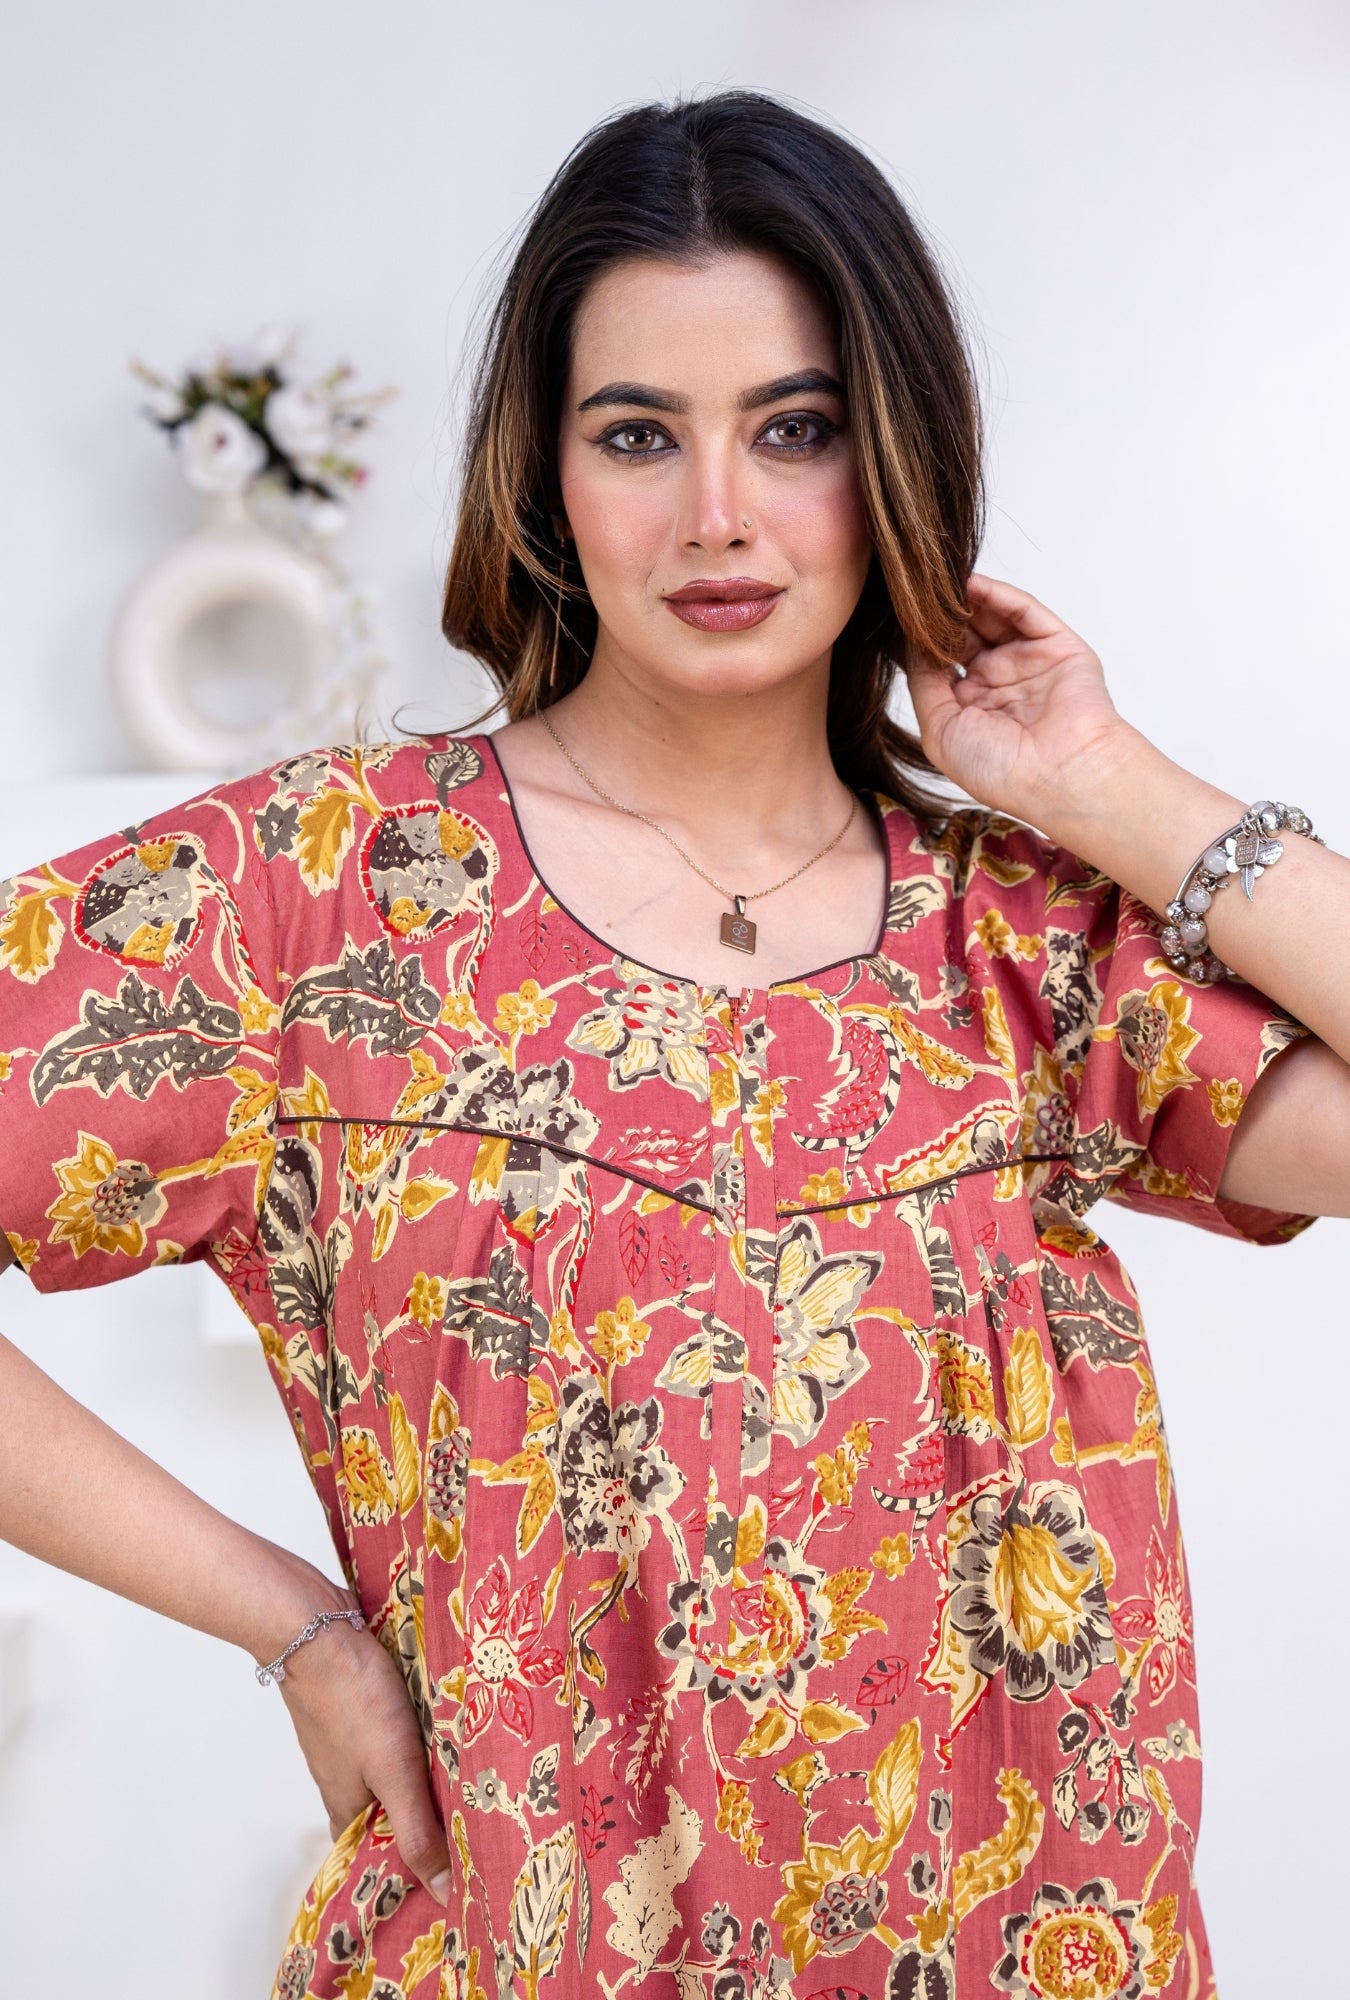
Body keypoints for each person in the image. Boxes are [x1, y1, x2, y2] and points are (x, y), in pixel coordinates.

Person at [1, 90, 1346, 2000]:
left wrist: (1107, 782)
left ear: (893, 456)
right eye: (637, 433)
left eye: (794, 429)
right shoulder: (317, 895)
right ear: (543, 477)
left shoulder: (1016, 935)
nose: (718, 513)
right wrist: (285, 1621)